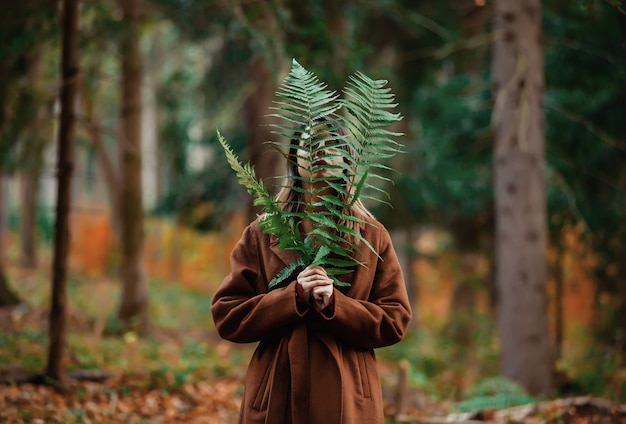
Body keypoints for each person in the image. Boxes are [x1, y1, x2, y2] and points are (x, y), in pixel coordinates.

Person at [211, 117, 412, 424]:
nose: (318, 151)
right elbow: (228, 315)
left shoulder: (372, 236)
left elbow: (395, 319)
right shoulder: (261, 233)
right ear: (294, 159)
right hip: (278, 390)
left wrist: (336, 304)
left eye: (329, 144)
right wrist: (292, 297)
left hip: (348, 396)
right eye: (308, 144)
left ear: (345, 159)